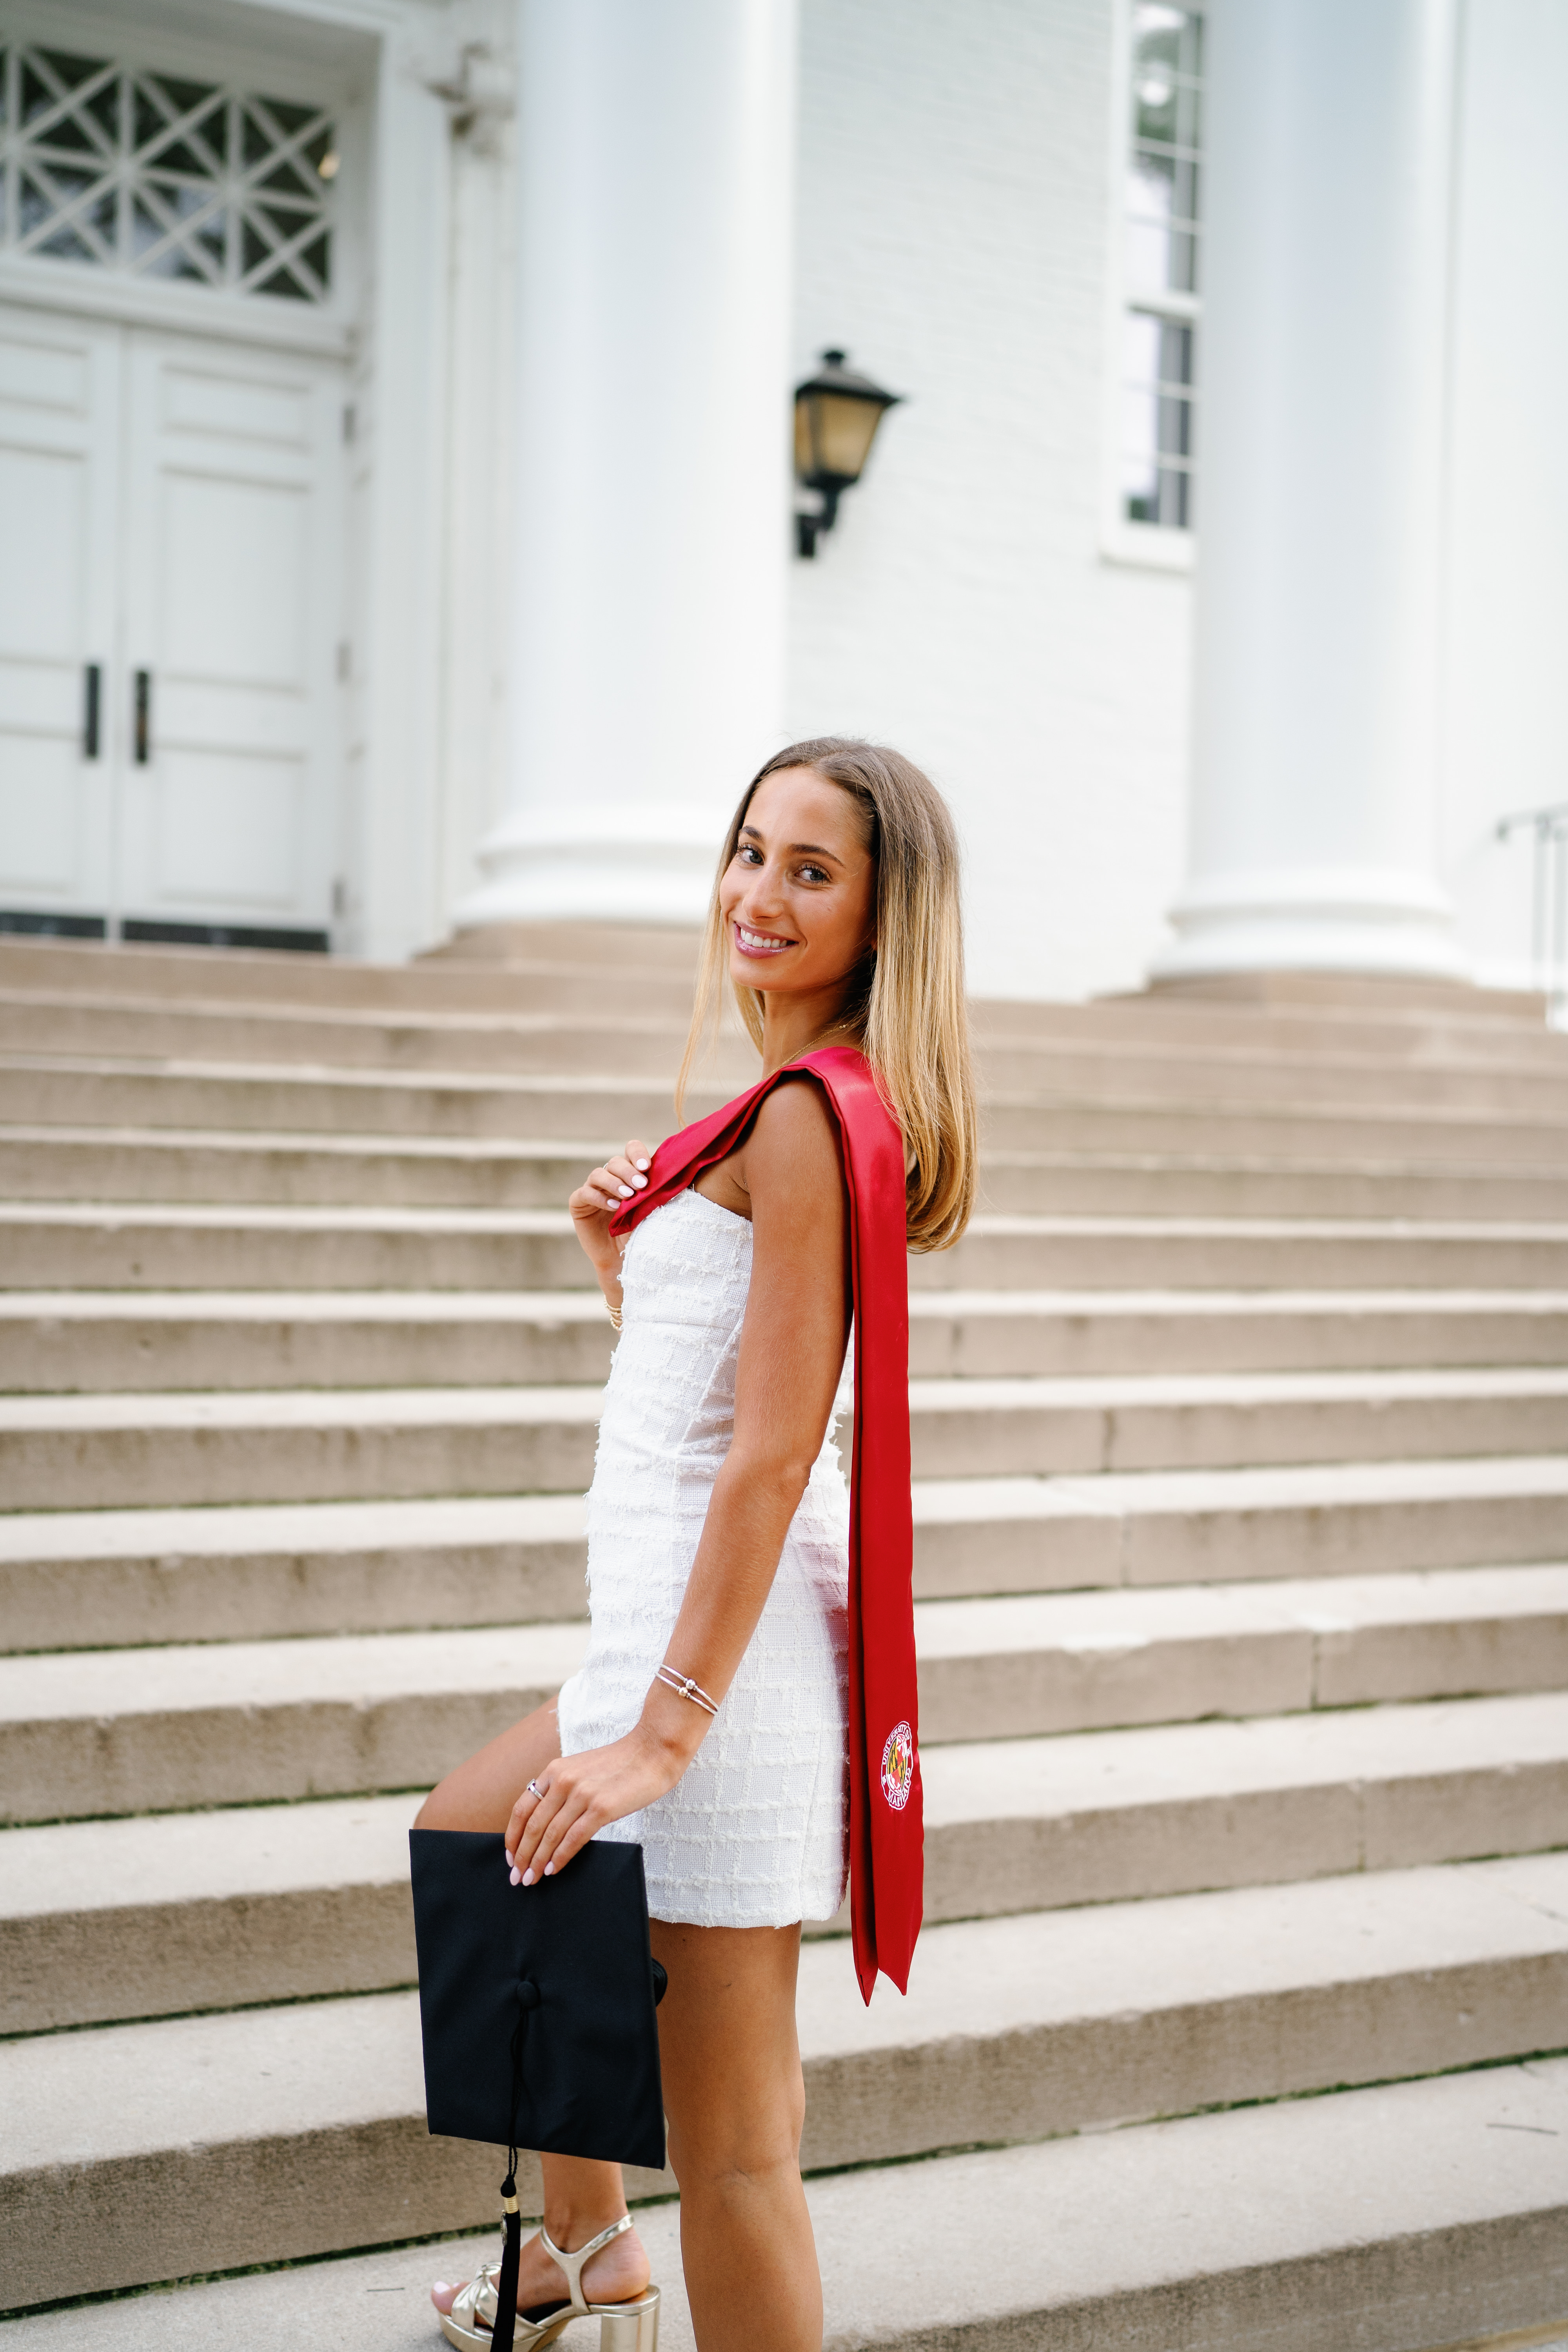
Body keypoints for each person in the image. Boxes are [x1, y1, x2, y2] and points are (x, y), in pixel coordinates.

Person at [418, 738, 975, 2352]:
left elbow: (771, 1452)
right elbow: (704, 1382)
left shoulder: (808, 1117)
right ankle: (575, 2261)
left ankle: (596, 2264)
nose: (759, 892)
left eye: (812, 871)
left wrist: (668, 1727)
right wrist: (622, 1256)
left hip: (708, 1675)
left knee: (737, 2153)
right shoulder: (777, 1107)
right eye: (750, 851)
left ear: (882, 921)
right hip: (656, 1626)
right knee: (477, 1838)